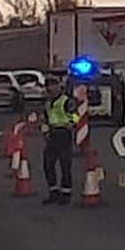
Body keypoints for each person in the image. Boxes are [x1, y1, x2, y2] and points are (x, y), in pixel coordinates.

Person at [41, 76, 78, 205]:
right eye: (48, 86)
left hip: (63, 134)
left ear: (58, 87)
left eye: (52, 85)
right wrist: (45, 131)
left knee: (65, 165)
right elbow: (45, 118)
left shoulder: (66, 101)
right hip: (52, 135)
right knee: (48, 164)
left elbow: (75, 116)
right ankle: (53, 192)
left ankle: (66, 194)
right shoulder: (47, 103)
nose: (50, 88)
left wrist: (71, 123)